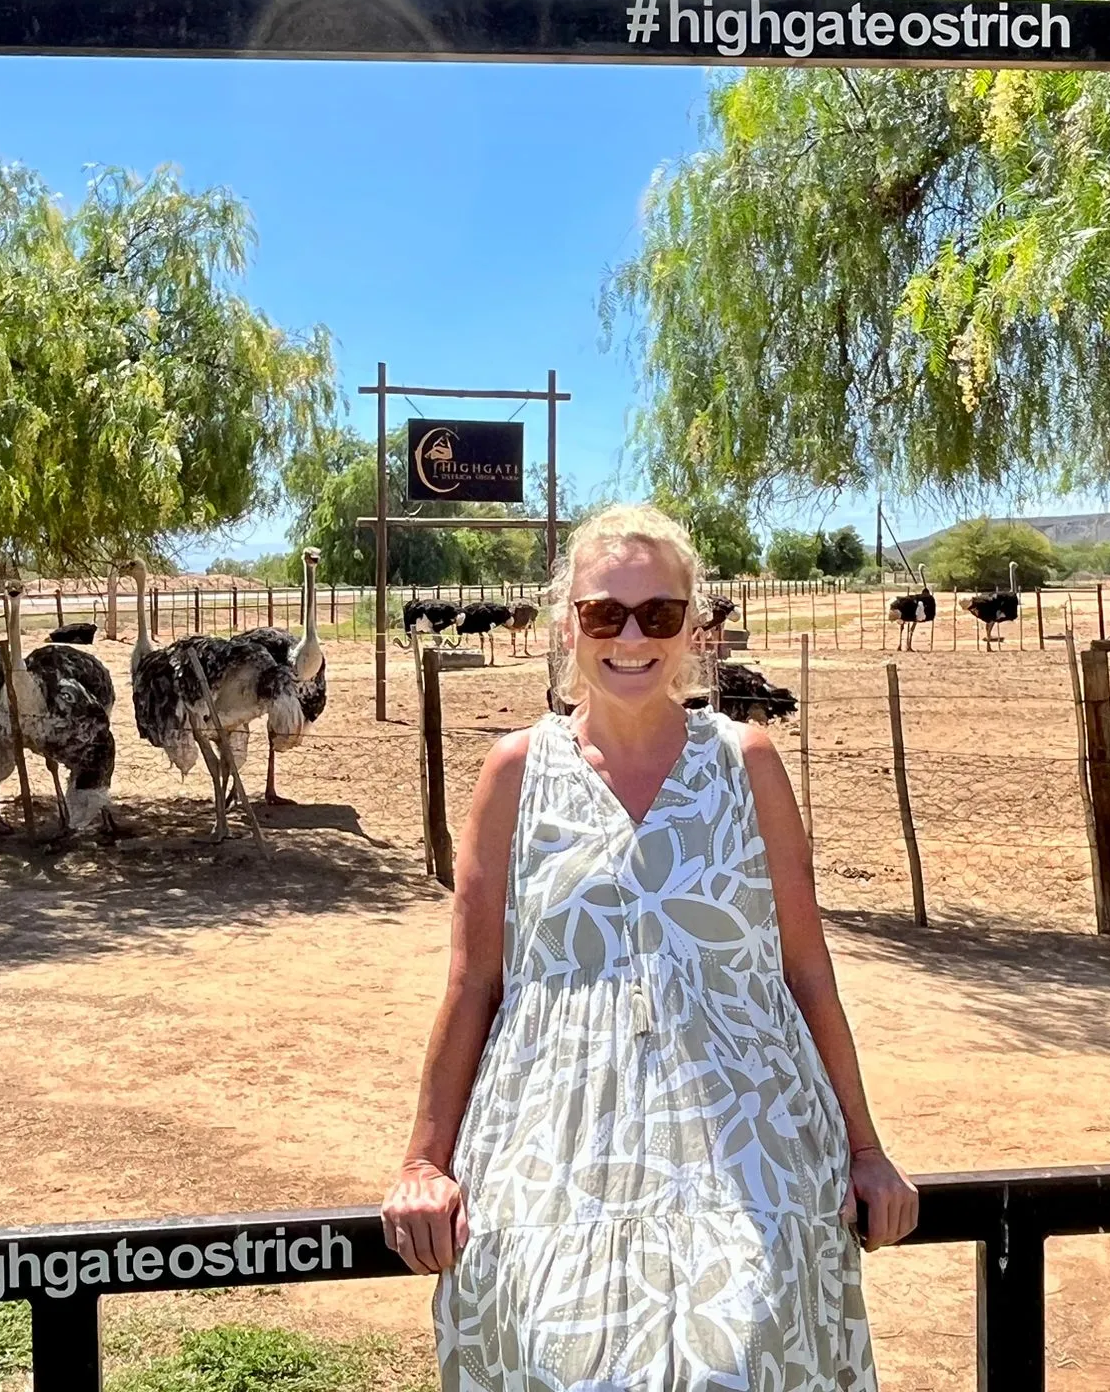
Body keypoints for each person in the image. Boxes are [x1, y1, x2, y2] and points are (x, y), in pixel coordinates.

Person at [382, 504, 918, 1389]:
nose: (631, 638)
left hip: (751, 1139)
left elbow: (805, 970)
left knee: (745, 1355)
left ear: (693, 628)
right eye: (604, 613)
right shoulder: (515, 773)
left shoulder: (747, 762)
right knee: (548, 1353)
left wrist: (866, 1149)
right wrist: (422, 1163)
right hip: (552, 1142)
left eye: (658, 614)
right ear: (568, 625)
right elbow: (475, 982)